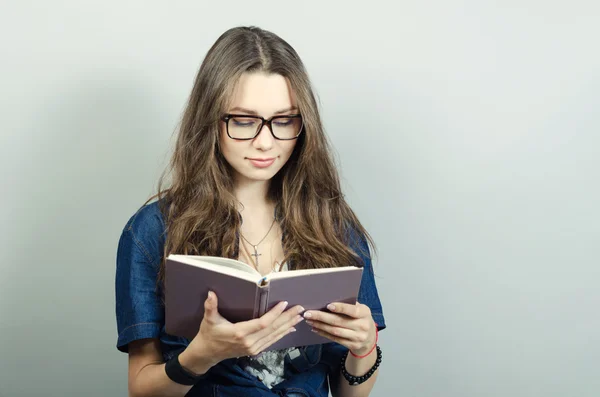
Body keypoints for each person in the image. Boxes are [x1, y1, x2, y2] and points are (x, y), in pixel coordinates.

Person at [115, 26, 386, 397]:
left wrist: (364, 347)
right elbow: (140, 389)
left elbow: (349, 393)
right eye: (243, 121)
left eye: (284, 121)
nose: (264, 141)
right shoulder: (152, 230)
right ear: (210, 120)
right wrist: (201, 355)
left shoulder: (333, 225)